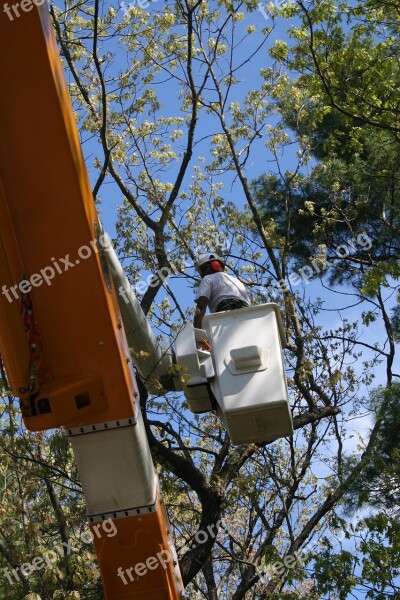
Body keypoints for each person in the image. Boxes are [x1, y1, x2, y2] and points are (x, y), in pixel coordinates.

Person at [193, 253, 250, 329]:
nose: (202, 274)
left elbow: (201, 305)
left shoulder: (208, 278)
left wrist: (196, 329)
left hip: (225, 317)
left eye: (204, 269)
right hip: (247, 317)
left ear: (215, 264)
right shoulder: (238, 281)